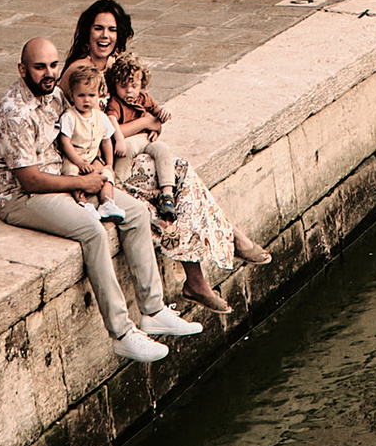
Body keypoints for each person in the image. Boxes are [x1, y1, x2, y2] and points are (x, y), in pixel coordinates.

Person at [0, 36, 196, 365]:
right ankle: (122, 334)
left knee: (136, 212)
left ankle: (153, 311)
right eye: (40, 67)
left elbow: (80, 136)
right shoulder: (14, 114)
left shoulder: (54, 96)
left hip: (64, 177)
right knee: (92, 230)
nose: (49, 73)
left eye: (53, 65)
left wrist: (93, 170)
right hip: (22, 196)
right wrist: (80, 181)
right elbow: (30, 180)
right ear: (22, 69)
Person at [105, 46, 273, 320]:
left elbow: (157, 123)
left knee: (179, 179)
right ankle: (218, 254)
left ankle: (204, 270)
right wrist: (146, 123)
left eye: (112, 32)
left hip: (142, 154)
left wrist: (153, 122)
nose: (106, 37)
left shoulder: (129, 82)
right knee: (170, 198)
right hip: (118, 163)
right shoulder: (93, 82)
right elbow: (112, 131)